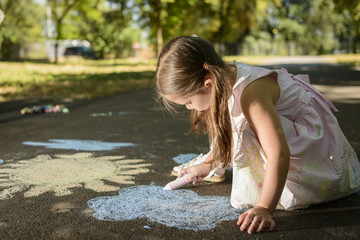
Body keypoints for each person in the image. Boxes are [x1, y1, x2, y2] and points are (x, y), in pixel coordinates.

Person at [155, 36, 360, 234]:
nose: (189, 107)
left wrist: (264, 208)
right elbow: (229, 130)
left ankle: (287, 188)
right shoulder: (227, 77)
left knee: (243, 127)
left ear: (207, 83)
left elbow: (279, 153)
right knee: (239, 125)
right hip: (294, 142)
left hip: (317, 157)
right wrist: (208, 164)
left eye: (187, 102)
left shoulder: (252, 96)